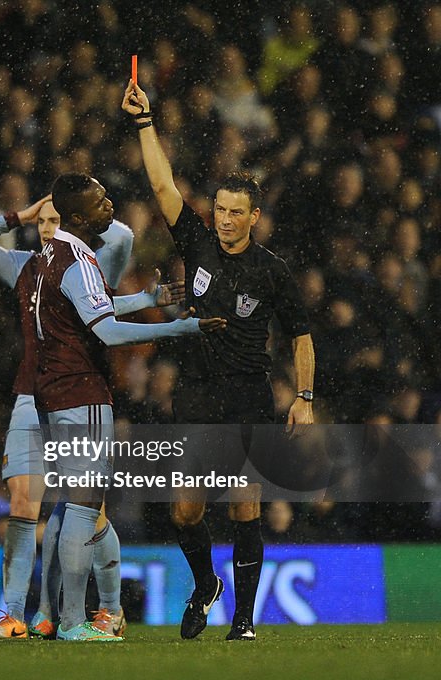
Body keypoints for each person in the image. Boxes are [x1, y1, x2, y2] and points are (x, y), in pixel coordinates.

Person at [123, 80, 315, 641]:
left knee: (244, 505)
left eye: (236, 212)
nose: (226, 219)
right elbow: (161, 183)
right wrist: (144, 123)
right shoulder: (200, 244)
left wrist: (304, 398)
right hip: (198, 393)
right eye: (221, 210)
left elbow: (301, 337)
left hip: (248, 393)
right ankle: (206, 584)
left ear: (254, 216)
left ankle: (245, 620)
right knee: (185, 511)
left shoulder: (273, 271)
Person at [0, 194, 179, 639]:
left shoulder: (86, 263)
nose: (47, 228)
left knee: (82, 512)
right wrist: (18, 214)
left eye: (57, 220)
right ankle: (16, 613)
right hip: (30, 395)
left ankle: (104, 610)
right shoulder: (25, 266)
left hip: (78, 394)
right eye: (43, 221)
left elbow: (121, 245)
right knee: (25, 503)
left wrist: (92, 214)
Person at [33, 172, 226, 641]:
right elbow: (107, 332)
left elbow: (88, 307)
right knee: (84, 507)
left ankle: (54, 613)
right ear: (78, 217)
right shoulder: (77, 259)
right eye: (99, 201)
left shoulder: (49, 256)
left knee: (67, 506)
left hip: (53, 389)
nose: (109, 203)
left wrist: (145, 300)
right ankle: (76, 621)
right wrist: (177, 329)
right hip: (81, 390)